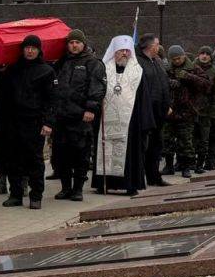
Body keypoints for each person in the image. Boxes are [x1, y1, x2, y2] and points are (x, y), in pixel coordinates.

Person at [0, 35, 55, 209]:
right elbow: (3, 93)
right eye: (27, 47)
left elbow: (51, 99)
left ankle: (36, 194)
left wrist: (48, 122)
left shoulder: (46, 71)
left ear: (39, 50)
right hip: (13, 121)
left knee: (34, 159)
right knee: (13, 158)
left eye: (33, 48)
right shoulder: (13, 69)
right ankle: (15, 194)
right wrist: (1, 72)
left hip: (34, 121)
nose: (30, 51)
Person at [92, 36, 155, 195]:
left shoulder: (137, 71)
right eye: (121, 50)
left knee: (130, 154)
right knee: (105, 149)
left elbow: (144, 98)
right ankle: (103, 184)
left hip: (131, 121)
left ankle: (130, 184)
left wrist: (145, 121)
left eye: (127, 50)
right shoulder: (104, 68)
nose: (125, 54)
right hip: (105, 119)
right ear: (114, 52)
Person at [51, 30, 107, 201]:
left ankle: (78, 189)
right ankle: (65, 187)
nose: (74, 45)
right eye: (71, 42)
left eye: (77, 42)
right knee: (62, 153)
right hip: (61, 116)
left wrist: (90, 108)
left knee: (81, 154)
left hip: (81, 116)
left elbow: (97, 88)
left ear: (84, 44)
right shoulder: (62, 62)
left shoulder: (93, 63)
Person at [163, 45, 211, 179]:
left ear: (184, 56)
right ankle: (168, 166)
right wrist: (169, 82)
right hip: (170, 110)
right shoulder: (167, 69)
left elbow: (206, 85)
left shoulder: (194, 68)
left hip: (187, 110)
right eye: (174, 59)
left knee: (186, 141)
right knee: (167, 139)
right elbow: (160, 82)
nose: (177, 61)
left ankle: (186, 167)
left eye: (179, 58)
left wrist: (189, 77)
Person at [136, 34, 172, 186]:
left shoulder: (157, 61)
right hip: (145, 111)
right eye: (157, 44)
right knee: (143, 146)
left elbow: (164, 84)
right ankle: (139, 177)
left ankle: (154, 176)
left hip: (159, 111)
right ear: (150, 46)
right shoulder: (137, 62)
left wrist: (167, 105)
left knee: (156, 146)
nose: (159, 47)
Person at [194, 46, 215, 173]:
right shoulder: (192, 67)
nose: (204, 56)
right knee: (191, 137)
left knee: (206, 138)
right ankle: (186, 162)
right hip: (192, 109)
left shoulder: (214, 72)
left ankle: (205, 163)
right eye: (202, 53)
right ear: (198, 55)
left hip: (207, 110)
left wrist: (214, 112)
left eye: (207, 54)